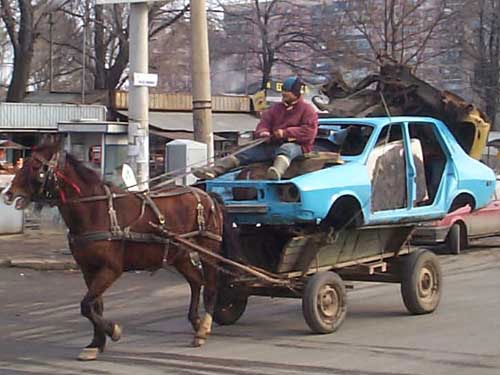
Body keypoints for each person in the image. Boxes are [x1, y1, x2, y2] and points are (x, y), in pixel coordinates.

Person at [194, 76, 319, 180]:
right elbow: (264, 123)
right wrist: (263, 133)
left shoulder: (308, 110)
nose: (284, 94)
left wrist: (285, 133)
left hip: (297, 146)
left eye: (288, 91)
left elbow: (309, 131)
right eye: (283, 91)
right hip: (270, 145)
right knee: (243, 153)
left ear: (296, 93)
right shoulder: (275, 108)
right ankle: (212, 171)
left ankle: (276, 172)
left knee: (286, 149)